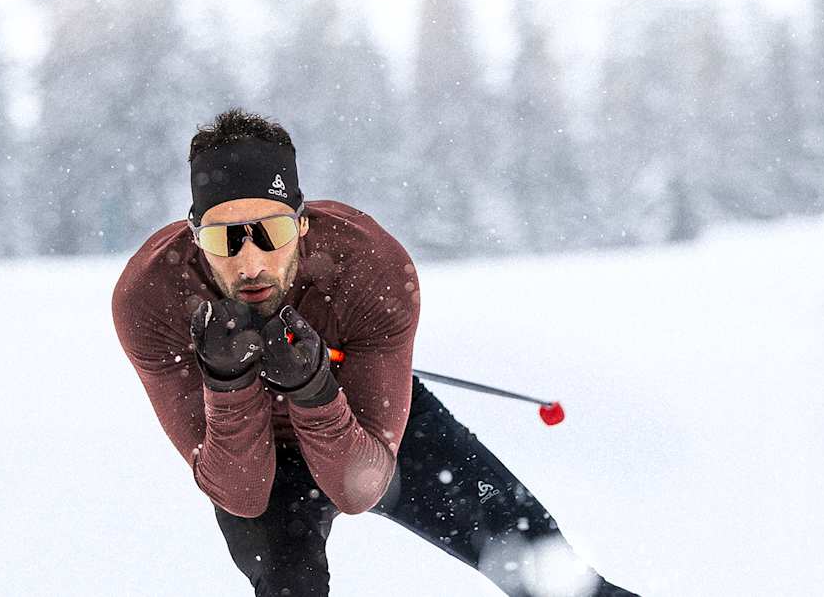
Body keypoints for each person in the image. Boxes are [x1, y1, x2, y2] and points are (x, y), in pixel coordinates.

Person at [111, 109, 638, 596]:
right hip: (252, 450)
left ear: (301, 223)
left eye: (271, 232)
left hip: (365, 417)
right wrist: (228, 385)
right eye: (223, 239)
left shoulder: (369, 266)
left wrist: (313, 389)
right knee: (290, 585)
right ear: (194, 236)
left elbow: (359, 487)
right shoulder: (150, 298)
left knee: (553, 579)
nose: (250, 263)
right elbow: (243, 494)